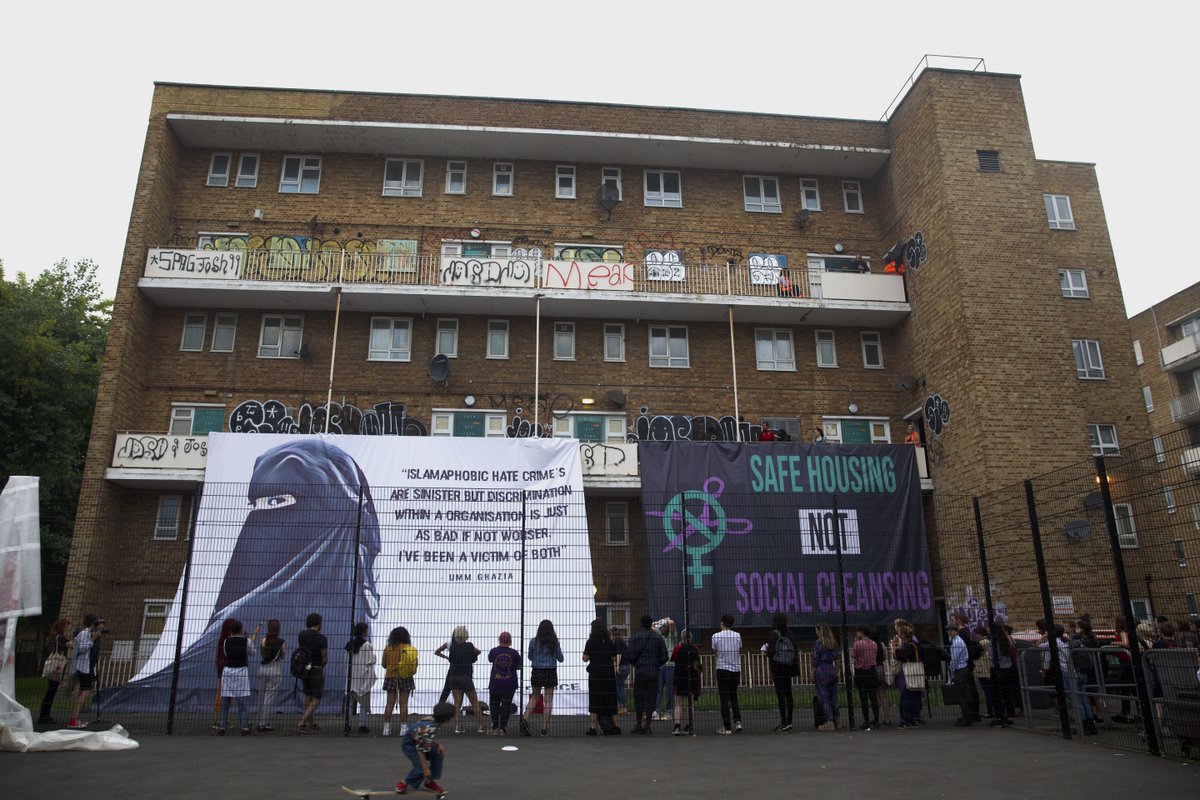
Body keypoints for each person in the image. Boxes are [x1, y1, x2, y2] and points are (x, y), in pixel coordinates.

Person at [395, 702, 455, 796]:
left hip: (419, 741)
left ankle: (428, 782)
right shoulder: (429, 727)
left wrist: (437, 744)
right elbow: (421, 750)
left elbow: (425, 738)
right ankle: (404, 782)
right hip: (410, 745)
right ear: (446, 719)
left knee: (438, 753)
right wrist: (425, 768)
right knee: (420, 769)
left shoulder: (434, 720)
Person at [522, 619, 563, 737]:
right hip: (550, 671)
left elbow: (530, 657)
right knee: (548, 700)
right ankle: (544, 729)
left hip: (537, 670)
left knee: (535, 697)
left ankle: (525, 719)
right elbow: (560, 658)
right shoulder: (554, 642)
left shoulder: (533, 641)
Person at [627, 614, 668, 735]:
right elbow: (664, 657)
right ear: (651, 624)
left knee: (639, 697)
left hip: (640, 671)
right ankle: (647, 725)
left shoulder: (635, 637)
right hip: (653, 671)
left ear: (641, 623)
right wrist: (656, 664)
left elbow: (630, 656)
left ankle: (638, 724)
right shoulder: (658, 638)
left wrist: (637, 663)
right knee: (651, 698)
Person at [218, 619, 260, 735]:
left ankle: (222, 726)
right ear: (241, 630)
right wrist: (251, 639)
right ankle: (244, 726)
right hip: (241, 671)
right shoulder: (247, 641)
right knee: (241, 701)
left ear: (231, 631)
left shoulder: (226, 641)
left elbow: (226, 654)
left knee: (226, 700)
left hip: (228, 671)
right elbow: (252, 653)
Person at [67, 613, 105, 729]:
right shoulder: (84, 633)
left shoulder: (88, 633)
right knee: (83, 692)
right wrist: (94, 638)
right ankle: (73, 719)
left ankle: (75, 718)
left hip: (88, 666)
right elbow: (83, 648)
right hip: (83, 667)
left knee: (83, 692)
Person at [582, 619, 619, 735]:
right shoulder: (609, 641)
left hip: (595, 674)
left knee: (595, 699)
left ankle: (593, 728)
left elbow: (585, 658)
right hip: (608, 673)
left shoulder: (591, 641)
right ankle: (616, 726)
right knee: (611, 698)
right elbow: (614, 657)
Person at [446, 626, 485, 734]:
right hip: (465, 677)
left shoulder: (453, 648)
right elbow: (474, 658)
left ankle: (458, 726)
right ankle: (481, 726)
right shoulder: (469, 646)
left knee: (457, 704)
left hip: (453, 676)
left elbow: (451, 660)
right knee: (474, 702)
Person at [381, 626, 418, 737]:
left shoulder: (388, 648)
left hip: (391, 677)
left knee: (389, 704)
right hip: (405, 677)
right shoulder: (408, 648)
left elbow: (384, 664)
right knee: (404, 704)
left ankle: (386, 728)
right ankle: (403, 728)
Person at [711, 613, 743, 734]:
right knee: (733, 696)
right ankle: (737, 721)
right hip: (735, 668)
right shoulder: (737, 635)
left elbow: (715, 651)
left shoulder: (715, 636)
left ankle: (727, 726)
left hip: (722, 668)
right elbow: (739, 649)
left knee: (724, 698)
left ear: (722, 623)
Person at [765, 611, 798, 732]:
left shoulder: (774, 634)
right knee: (788, 694)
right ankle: (790, 721)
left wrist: (767, 650)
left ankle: (783, 721)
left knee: (780, 695)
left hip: (777, 668)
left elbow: (771, 653)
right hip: (788, 667)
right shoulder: (790, 634)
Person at [297, 612, 328, 734]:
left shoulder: (302, 635)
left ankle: (311, 722)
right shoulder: (322, 638)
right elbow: (324, 657)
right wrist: (322, 665)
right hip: (316, 668)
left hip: (305, 668)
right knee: (317, 697)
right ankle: (302, 721)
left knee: (308, 694)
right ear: (318, 624)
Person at [38, 617, 72, 724]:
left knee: (50, 691)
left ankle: (44, 715)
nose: (68, 630)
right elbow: (69, 645)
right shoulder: (60, 638)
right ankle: (44, 716)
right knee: (51, 692)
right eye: (67, 627)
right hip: (56, 666)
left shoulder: (51, 637)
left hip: (51, 665)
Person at [487, 631, 521, 735]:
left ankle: (495, 727)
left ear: (499, 640)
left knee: (494, 704)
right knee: (506, 704)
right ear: (510, 641)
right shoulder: (514, 653)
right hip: (510, 683)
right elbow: (519, 666)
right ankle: (502, 728)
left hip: (495, 683)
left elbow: (490, 659)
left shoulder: (493, 651)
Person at [346, 622, 377, 734]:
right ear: (364, 632)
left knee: (350, 702)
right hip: (363, 676)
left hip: (352, 675)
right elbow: (370, 660)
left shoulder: (349, 645)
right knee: (363, 702)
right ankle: (362, 725)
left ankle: (348, 724)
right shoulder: (367, 645)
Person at [891, 619, 923, 728]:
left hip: (909, 673)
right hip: (916, 673)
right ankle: (914, 718)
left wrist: (895, 649)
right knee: (915, 696)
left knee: (905, 697)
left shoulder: (909, 646)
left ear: (903, 635)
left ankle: (904, 719)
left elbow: (901, 656)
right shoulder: (915, 644)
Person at [256, 618, 284, 732]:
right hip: (274, 669)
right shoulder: (281, 642)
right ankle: (263, 723)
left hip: (262, 669)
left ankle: (259, 721)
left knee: (261, 697)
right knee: (269, 698)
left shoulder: (263, 640)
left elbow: (262, 654)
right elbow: (282, 656)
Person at [670, 629, 701, 736]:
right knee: (690, 704)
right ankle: (689, 726)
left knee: (678, 703)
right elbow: (698, 664)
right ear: (691, 638)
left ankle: (677, 727)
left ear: (681, 638)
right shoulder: (695, 649)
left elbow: (672, 659)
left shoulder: (677, 648)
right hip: (691, 678)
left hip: (679, 678)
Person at [989, 624, 1018, 727]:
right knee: (1007, 692)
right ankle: (1010, 713)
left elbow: (992, 656)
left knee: (996, 693)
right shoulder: (1006, 640)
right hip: (1008, 668)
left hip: (997, 669)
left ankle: (999, 715)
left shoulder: (993, 642)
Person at [851, 625, 880, 730]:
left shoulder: (857, 644)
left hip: (861, 672)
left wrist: (856, 642)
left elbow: (853, 655)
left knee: (863, 699)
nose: (856, 634)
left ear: (861, 632)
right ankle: (876, 720)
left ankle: (866, 721)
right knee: (873, 698)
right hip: (872, 671)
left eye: (857, 631)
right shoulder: (874, 644)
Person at [813, 622, 840, 730]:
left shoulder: (818, 643)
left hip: (821, 670)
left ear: (820, 631)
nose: (816, 633)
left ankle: (829, 721)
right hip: (831, 670)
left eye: (816, 630)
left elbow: (815, 660)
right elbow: (837, 659)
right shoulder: (833, 642)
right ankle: (837, 720)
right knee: (834, 697)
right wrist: (837, 671)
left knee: (824, 697)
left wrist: (812, 673)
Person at [947, 623, 975, 727]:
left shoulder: (956, 642)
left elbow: (954, 659)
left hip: (960, 670)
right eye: (948, 630)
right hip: (963, 669)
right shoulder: (957, 640)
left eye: (952, 630)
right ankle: (967, 716)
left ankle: (967, 719)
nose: (950, 632)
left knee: (962, 696)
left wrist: (951, 671)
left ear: (956, 631)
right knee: (963, 695)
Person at [212, 618, 236, 730]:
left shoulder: (222, 639)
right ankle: (218, 720)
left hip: (222, 668)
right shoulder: (228, 640)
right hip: (226, 669)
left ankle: (220, 719)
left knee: (221, 693)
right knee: (222, 694)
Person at [652, 617, 678, 721]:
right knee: (657, 689)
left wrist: (668, 620)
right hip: (660, 666)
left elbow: (672, 623)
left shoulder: (672, 635)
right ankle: (656, 711)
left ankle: (669, 712)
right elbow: (651, 626)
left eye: (662, 628)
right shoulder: (660, 635)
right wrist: (658, 622)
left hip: (670, 666)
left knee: (669, 691)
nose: (660, 630)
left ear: (666, 627)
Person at [612, 628, 630, 715]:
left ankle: (623, 707)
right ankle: (621, 707)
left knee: (620, 688)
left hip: (622, 666)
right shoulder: (622, 641)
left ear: (613, 635)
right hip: (626, 666)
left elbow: (619, 654)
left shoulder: (617, 641)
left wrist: (617, 666)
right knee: (619, 686)